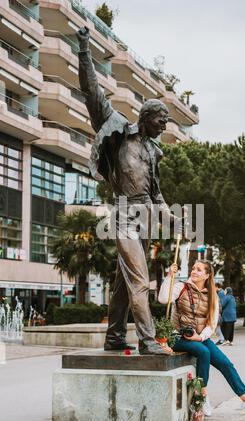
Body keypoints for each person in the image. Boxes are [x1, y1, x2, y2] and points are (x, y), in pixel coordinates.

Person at [76, 27, 182, 355]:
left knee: (125, 282)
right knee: (139, 278)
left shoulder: (154, 152)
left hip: (146, 218)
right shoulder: (120, 134)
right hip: (123, 214)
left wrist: (172, 219)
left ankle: (114, 336)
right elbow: (93, 94)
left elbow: (157, 194)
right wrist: (83, 49)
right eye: (162, 119)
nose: (166, 124)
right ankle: (148, 342)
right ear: (147, 117)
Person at [158, 261, 245, 418]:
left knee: (226, 364)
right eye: (193, 268)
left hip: (198, 337)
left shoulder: (212, 294)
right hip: (177, 336)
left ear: (207, 275)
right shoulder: (181, 287)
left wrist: (199, 337)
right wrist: (169, 276)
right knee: (203, 352)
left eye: (199, 270)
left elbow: (212, 323)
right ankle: (203, 396)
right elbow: (163, 299)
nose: (194, 271)